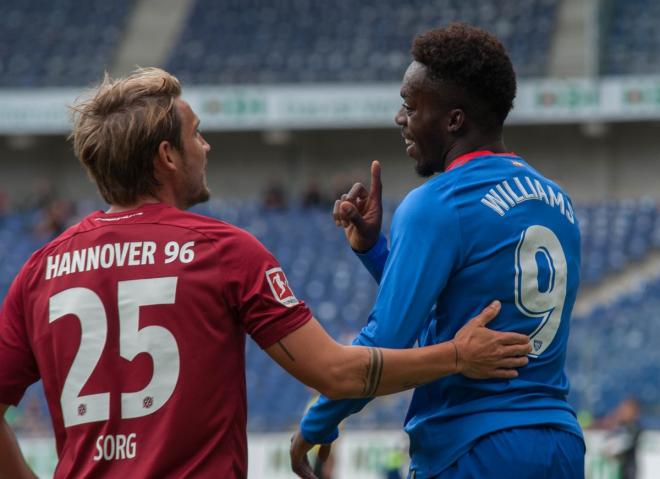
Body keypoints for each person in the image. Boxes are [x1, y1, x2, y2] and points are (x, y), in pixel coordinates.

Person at [0, 67, 532, 478]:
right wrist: (459, 356)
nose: (205, 146)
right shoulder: (223, 251)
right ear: (166, 155)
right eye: (196, 134)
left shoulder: (40, 270)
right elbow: (337, 373)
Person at [291, 23, 585, 479]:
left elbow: (386, 342)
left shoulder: (438, 203)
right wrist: (375, 251)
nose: (400, 118)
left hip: (472, 447)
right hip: (560, 445)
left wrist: (318, 422)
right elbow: (457, 313)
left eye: (410, 106)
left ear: (453, 120)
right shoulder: (557, 201)